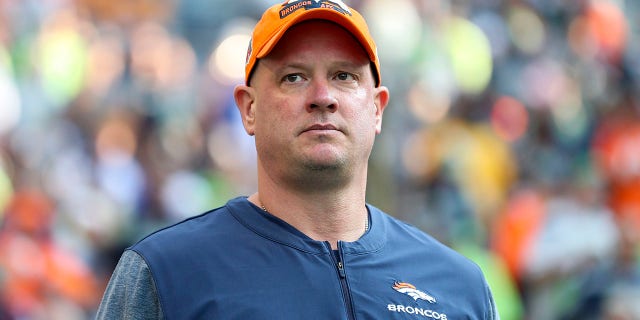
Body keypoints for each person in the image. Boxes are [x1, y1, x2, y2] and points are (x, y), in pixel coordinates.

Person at [96, 0, 499, 319]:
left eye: (345, 76)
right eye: (294, 77)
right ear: (248, 109)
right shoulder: (167, 273)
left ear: (377, 109)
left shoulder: (457, 286)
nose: (322, 96)